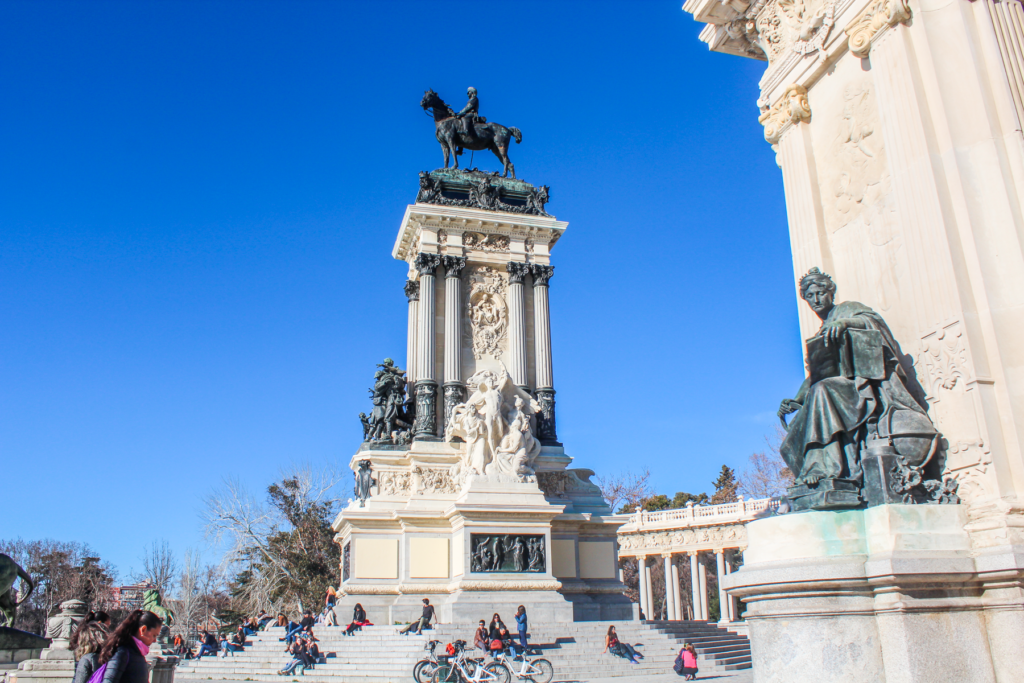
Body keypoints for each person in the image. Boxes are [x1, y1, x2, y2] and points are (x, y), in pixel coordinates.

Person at [98, 610, 164, 683]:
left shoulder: (138, 653)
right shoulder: (122, 652)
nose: (155, 640)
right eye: (154, 635)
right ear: (143, 629)